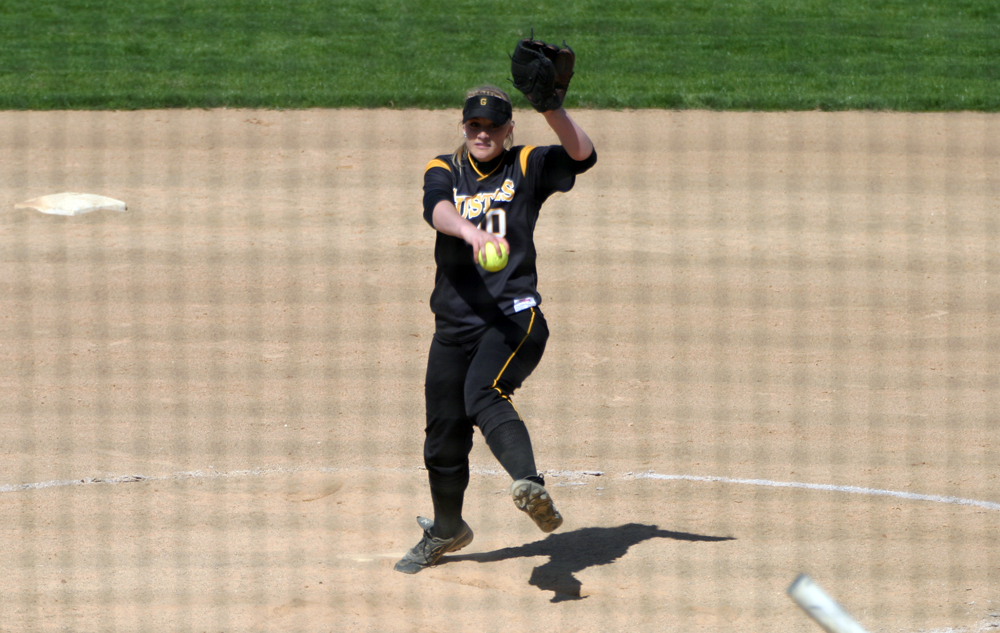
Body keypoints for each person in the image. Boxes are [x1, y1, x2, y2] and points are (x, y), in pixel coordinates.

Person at [394, 77, 596, 574]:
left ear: (509, 129)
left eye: (493, 126)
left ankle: (529, 485)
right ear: (463, 126)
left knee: (483, 393)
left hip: (514, 317)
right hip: (454, 326)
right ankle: (446, 529)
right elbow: (437, 209)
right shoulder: (444, 168)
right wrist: (469, 230)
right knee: (442, 434)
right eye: (474, 124)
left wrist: (552, 108)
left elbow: (583, 156)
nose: (482, 133)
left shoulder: (525, 165)